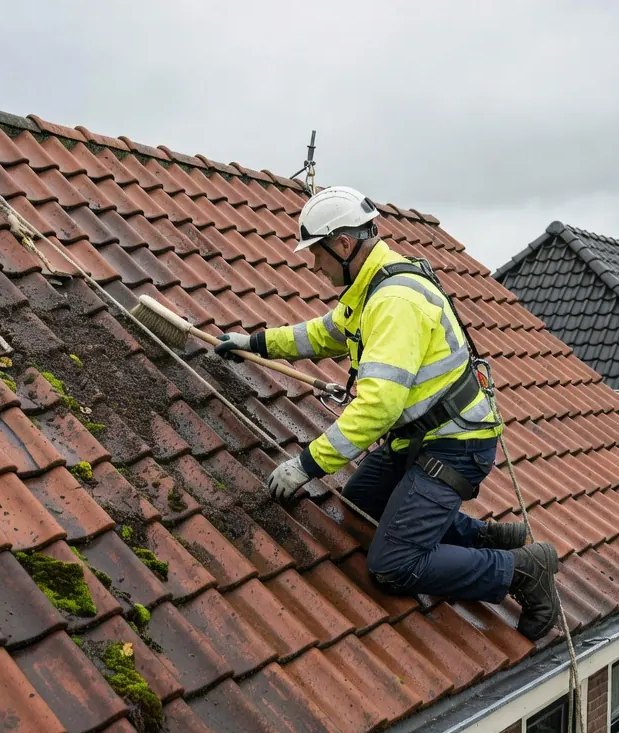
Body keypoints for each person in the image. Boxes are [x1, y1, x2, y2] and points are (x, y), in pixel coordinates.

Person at [214, 185, 560, 641]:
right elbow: (323, 334)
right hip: (420, 438)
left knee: (394, 564)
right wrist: (254, 343)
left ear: (343, 243)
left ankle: (522, 570)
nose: (313, 265)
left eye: (317, 253)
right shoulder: (372, 284)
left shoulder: (393, 302)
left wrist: (306, 465)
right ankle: (484, 537)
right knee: (362, 500)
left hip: (455, 445)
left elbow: (378, 406)